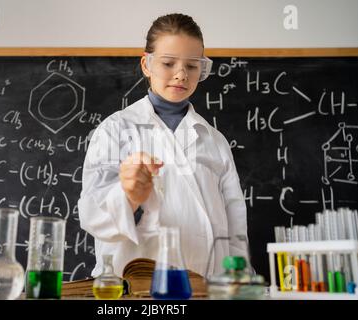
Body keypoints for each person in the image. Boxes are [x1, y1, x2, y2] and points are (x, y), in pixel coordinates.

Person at [78, 13, 249, 278]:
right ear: (146, 65)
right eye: (168, 63)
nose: (181, 75)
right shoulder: (115, 131)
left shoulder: (214, 140)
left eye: (192, 66)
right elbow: (92, 218)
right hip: (136, 290)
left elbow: (236, 228)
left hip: (210, 288)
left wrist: (241, 283)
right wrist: (128, 196)